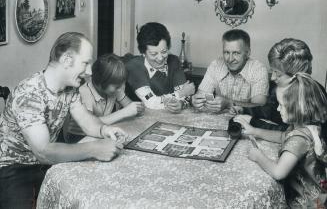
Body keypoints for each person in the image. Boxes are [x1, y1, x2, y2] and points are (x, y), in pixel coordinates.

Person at [0, 32, 127, 208]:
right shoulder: (29, 94)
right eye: (85, 63)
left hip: (44, 164)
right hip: (14, 168)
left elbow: (86, 120)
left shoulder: (70, 89)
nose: (90, 71)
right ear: (67, 60)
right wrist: (94, 148)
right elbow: (44, 152)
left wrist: (104, 130)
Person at [235, 73, 327, 208]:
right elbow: (282, 136)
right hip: (320, 197)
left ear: (299, 109)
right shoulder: (307, 127)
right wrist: (255, 131)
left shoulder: (299, 138)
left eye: (282, 106)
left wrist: (258, 156)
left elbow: (278, 172)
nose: (278, 109)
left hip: (306, 204)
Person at [239, 38, 325, 132]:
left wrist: (253, 122)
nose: (272, 77)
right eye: (272, 71)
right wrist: (244, 110)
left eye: (278, 74)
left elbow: (291, 133)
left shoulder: (310, 94)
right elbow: (271, 111)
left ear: (295, 74)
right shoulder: (280, 88)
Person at [66, 53, 145, 143]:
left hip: (102, 131)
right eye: (117, 86)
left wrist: (136, 108)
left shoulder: (113, 89)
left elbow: (131, 108)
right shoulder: (85, 93)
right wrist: (124, 112)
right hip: (79, 137)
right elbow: (91, 124)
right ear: (100, 83)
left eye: (122, 84)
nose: (121, 88)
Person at [192, 29, 269, 113]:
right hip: (217, 121)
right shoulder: (216, 65)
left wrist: (229, 103)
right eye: (226, 52)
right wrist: (197, 101)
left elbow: (260, 107)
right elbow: (201, 95)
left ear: (247, 53)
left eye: (236, 53)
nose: (230, 59)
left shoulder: (258, 69)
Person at [125, 22, 195, 113]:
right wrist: (180, 94)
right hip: (141, 119)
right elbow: (151, 102)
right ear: (143, 53)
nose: (160, 58)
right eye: (154, 54)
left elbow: (187, 96)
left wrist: (181, 104)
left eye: (164, 51)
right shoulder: (134, 66)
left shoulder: (173, 61)